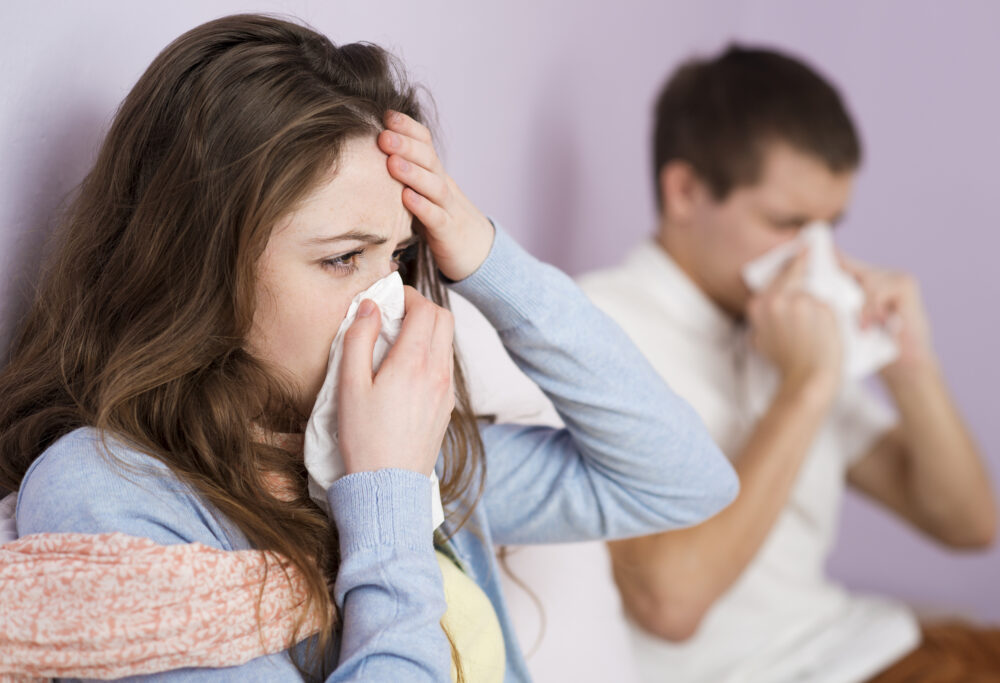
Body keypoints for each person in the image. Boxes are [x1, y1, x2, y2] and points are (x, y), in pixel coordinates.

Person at [0, 14, 739, 682]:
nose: (388, 302)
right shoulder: (110, 492)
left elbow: (683, 479)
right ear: (196, 267)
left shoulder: (391, 448)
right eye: (341, 258)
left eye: (398, 256)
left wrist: (484, 256)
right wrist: (384, 496)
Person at [575, 45, 1000, 682]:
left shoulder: (778, 324)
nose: (815, 256)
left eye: (830, 226)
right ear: (685, 191)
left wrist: (909, 363)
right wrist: (805, 387)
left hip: (865, 641)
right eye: (788, 223)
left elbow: (969, 524)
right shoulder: (599, 326)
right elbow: (669, 604)